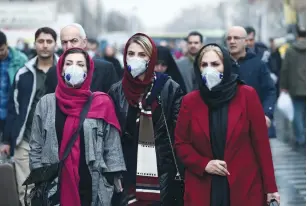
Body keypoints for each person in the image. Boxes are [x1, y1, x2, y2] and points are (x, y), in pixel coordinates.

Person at [174, 43, 280, 206]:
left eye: (215, 64)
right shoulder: (190, 101)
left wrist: (271, 188)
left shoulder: (247, 95)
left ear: (226, 66)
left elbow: (261, 145)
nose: (210, 69)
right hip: (203, 186)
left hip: (244, 185)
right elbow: (181, 143)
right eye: (204, 65)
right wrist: (204, 164)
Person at [29, 47, 126, 206]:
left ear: (88, 71)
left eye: (80, 64)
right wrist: (40, 178)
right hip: (54, 188)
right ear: (61, 69)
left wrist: (110, 182)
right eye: (69, 63)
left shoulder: (102, 102)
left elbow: (112, 146)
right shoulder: (46, 103)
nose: (74, 67)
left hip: (92, 188)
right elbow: (36, 145)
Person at [108, 33, 184, 205]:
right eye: (131, 54)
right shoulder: (115, 91)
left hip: (162, 172)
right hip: (127, 171)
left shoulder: (169, 88)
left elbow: (179, 132)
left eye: (142, 55)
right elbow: (111, 136)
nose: (135, 59)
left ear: (151, 58)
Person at [0, 27, 59, 206]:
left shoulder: (64, 72)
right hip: (25, 140)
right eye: (41, 41)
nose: (45, 46)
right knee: (25, 189)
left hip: (54, 141)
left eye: (49, 42)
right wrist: (7, 140)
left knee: (52, 190)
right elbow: (13, 107)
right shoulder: (24, 73)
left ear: (55, 44)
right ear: (35, 44)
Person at [226, 26, 276, 133]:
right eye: (229, 38)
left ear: (245, 42)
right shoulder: (220, 64)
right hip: (228, 124)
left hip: (254, 122)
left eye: (236, 38)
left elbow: (270, 90)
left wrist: (266, 114)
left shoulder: (258, 64)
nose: (232, 41)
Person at [45, 23, 119, 94]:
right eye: (64, 42)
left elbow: (114, 102)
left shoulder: (105, 69)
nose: (68, 46)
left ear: (84, 42)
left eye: (74, 41)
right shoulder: (53, 72)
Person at [280, 26, 306, 149]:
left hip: (295, 88)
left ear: (297, 36)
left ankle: (301, 138)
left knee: (297, 113)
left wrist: (283, 86)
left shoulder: (290, 51)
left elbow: (285, 70)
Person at [0, 31, 28, 139]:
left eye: (1, 50)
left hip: (12, 112)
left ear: (7, 45)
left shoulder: (21, 60)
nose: (0, 53)